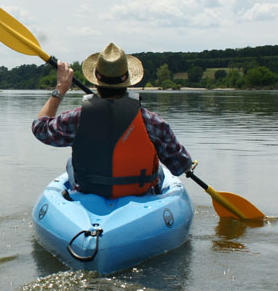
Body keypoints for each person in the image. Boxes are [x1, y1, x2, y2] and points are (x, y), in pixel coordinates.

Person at [32, 43, 192, 198]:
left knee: (70, 162)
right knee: (158, 169)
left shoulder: (78, 118)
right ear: (127, 81)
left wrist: (61, 88)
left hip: (92, 189)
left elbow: (40, 128)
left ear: (96, 81)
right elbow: (180, 166)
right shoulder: (152, 121)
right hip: (138, 191)